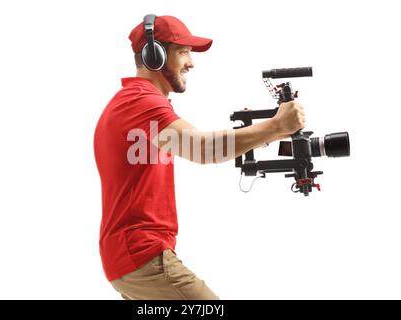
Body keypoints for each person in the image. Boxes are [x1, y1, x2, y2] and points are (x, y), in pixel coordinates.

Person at [93, 14, 305, 300]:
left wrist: (274, 132)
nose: (191, 63)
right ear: (153, 55)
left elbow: (197, 145)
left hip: (130, 258)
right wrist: (276, 125)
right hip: (142, 255)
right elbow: (202, 148)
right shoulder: (140, 102)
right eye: (183, 52)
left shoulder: (134, 105)